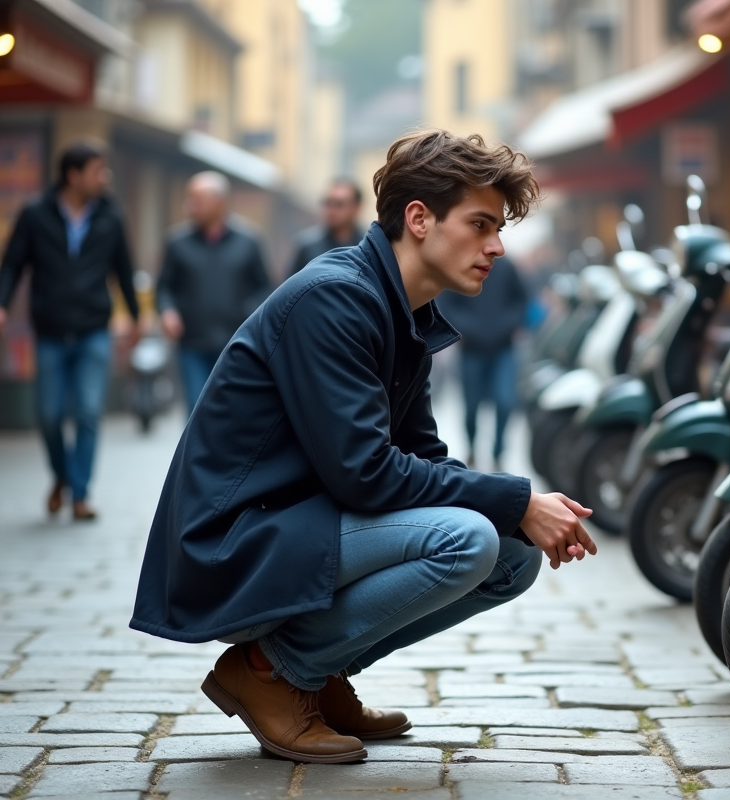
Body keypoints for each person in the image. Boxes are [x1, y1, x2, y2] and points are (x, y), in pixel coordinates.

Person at [130, 130, 597, 764]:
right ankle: (272, 670)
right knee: (470, 539)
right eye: (481, 224)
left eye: (500, 229)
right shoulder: (335, 300)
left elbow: (424, 460)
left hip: (301, 523)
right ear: (419, 219)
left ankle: (319, 676)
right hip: (233, 542)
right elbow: (365, 475)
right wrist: (515, 498)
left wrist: (518, 509)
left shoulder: (401, 310)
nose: (496, 247)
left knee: (512, 556)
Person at [0, 140, 140, 521]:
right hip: (49, 332)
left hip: (94, 330)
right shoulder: (34, 214)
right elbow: (12, 264)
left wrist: (136, 318)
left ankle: (80, 494)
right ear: (73, 175)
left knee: (89, 411)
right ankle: (62, 476)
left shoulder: (112, 215)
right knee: (47, 415)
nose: (105, 177)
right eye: (98, 170)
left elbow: (124, 270)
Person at [157, 171, 272, 415]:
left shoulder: (248, 241)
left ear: (219, 203)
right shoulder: (177, 243)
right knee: (197, 412)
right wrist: (167, 311)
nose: (189, 206)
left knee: (233, 412)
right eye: (189, 199)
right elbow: (165, 286)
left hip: (237, 345)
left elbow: (265, 288)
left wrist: (249, 314)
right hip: (192, 344)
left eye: (197, 200)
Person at [437, 255, 527, 469]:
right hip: (472, 350)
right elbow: (448, 302)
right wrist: (464, 328)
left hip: (503, 349)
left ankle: (498, 454)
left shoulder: (506, 266)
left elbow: (521, 299)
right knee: (471, 406)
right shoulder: (462, 263)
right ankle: (472, 449)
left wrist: (510, 324)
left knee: (505, 401)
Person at [290, 178, 365, 276]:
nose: (331, 210)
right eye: (328, 203)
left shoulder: (366, 247)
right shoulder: (308, 246)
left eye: (339, 204)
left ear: (356, 207)